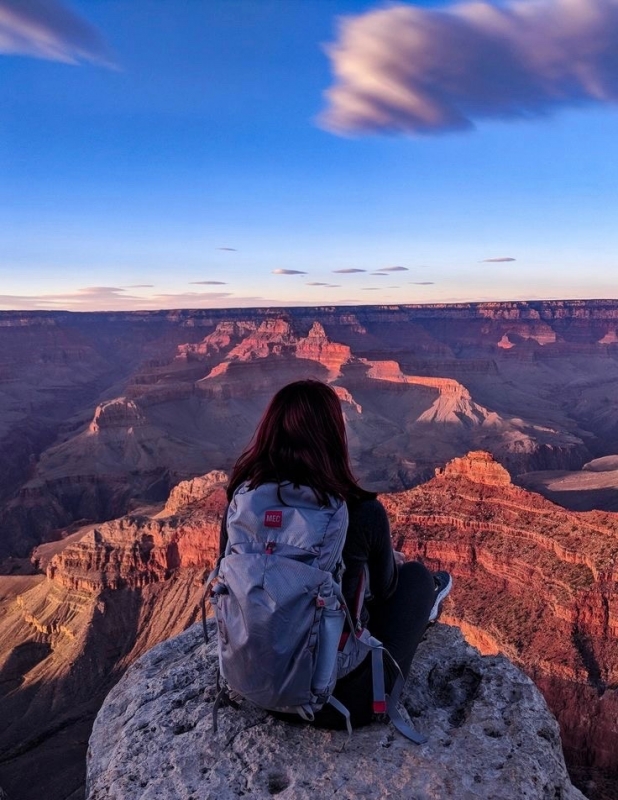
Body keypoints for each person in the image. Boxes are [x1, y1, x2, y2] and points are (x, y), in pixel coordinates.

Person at [219, 378, 452, 729]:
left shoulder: (241, 503)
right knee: (418, 579)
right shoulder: (360, 510)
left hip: (254, 687)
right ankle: (431, 601)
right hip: (338, 703)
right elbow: (387, 591)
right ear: (332, 437)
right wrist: (386, 559)